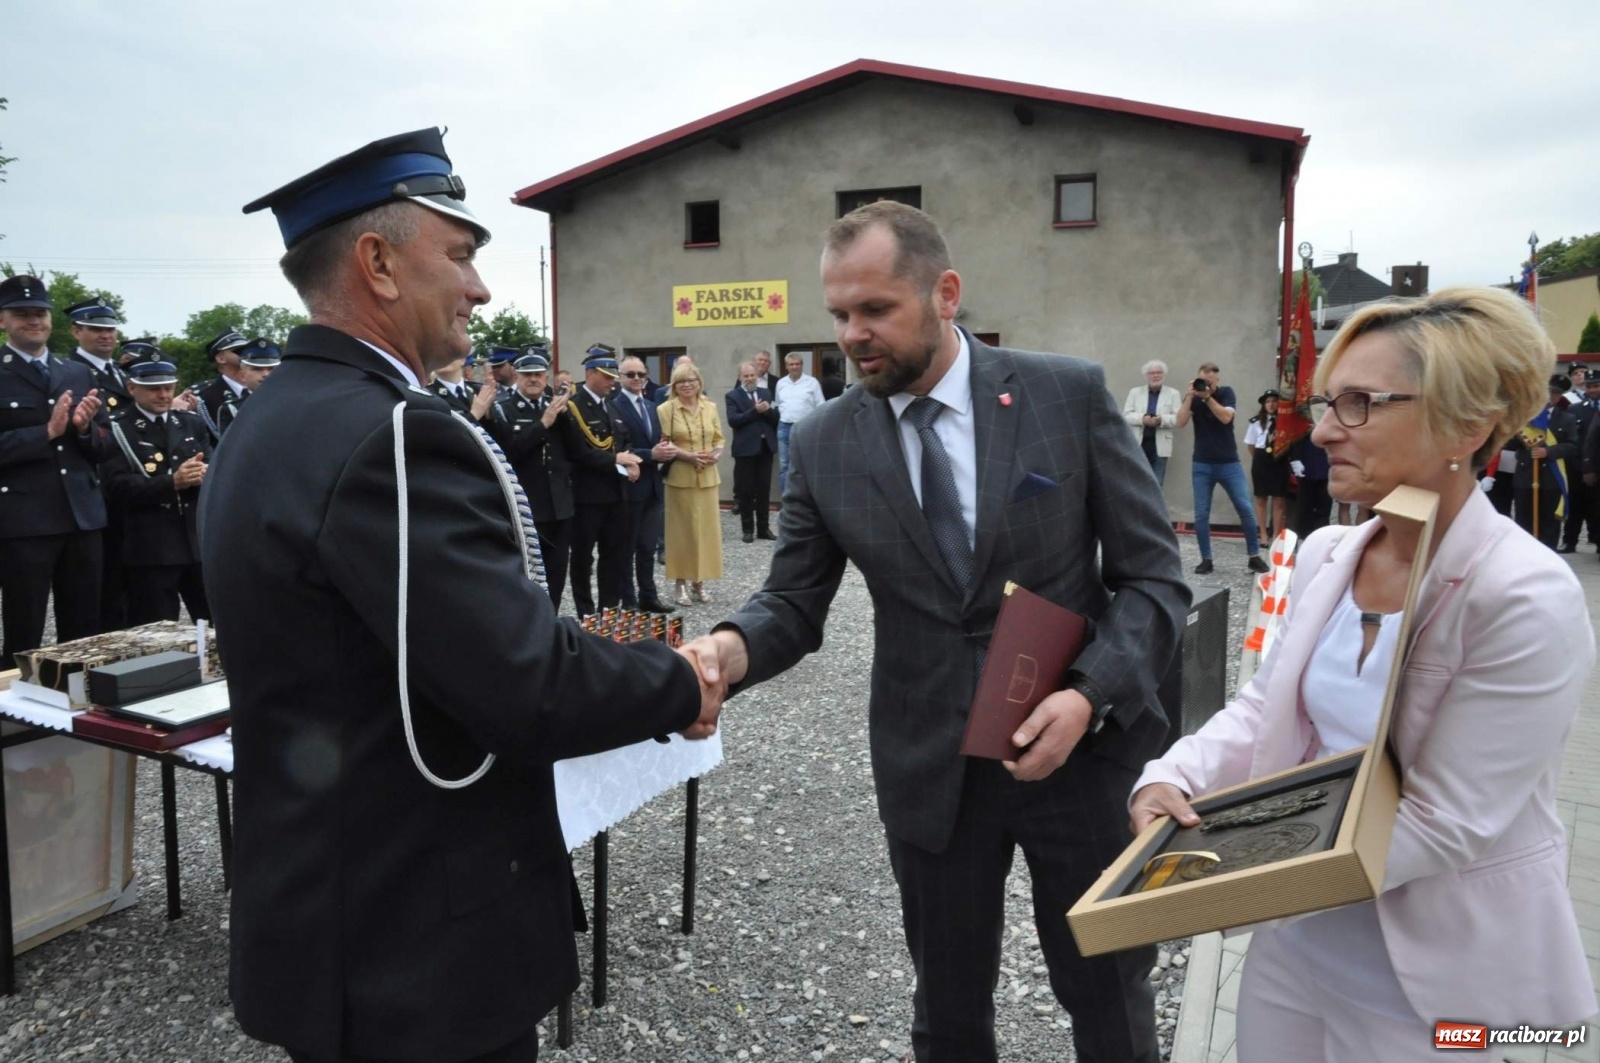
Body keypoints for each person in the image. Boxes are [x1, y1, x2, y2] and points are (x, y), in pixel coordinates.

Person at [206, 127, 716, 1063]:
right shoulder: (391, 436)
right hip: (416, 941)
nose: (481, 288)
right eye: (462, 255)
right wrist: (683, 679)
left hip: (330, 905)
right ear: (379, 263)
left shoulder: (270, 418)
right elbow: (527, 684)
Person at [683, 202, 1187, 1063]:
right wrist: (727, 648)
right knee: (947, 1012)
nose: (852, 335)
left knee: (1107, 991)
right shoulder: (827, 439)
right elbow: (793, 602)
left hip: (1080, 757)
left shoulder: (1065, 394)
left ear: (945, 293)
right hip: (931, 768)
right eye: (839, 314)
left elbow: (1154, 581)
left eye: (876, 310)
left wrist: (1090, 692)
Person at [1130, 286, 1595, 1061]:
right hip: (1296, 950)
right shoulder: (1327, 553)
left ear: (1468, 422)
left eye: (1358, 404)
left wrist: (1222, 872)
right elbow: (1263, 708)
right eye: (1324, 403)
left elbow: (1447, 820)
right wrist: (1169, 774)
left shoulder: (1524, 593)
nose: (1320, 431)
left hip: (1431, 983)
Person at [0, 275, 111, 667]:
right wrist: (44, 433)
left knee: (84, 624)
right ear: (3, 321)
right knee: (24, 624)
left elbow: (105, 445)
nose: (34, 321)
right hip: (25, 519)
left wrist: (83, 429)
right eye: (22, 314)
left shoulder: (76, 373)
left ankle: (78, 708)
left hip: (82, 516)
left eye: (40, 314)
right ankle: (16, 717)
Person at [102, 345, 211, 624]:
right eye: (153, 389)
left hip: (196, 542)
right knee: (158, 631)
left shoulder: (190, 424)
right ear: (131, 388)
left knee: (215, 624)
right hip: (151, 548)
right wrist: (171, 482)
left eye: (168, 387)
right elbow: (115, 487)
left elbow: (212, 467)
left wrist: (206, 474)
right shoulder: (117, 428)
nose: (163, 395)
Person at [488, 350, 574, 610]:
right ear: (516, 376)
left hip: (559, 506)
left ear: (546, 376)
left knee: (557, 575)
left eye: (538, 374)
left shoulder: (556, 406)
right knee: (528, 576)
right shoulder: (503, 409)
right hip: (527, 506)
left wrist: (564, 416)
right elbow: (509, 453)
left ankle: (553, 624)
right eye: (527, 375)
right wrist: (543, 423)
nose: (533, 379)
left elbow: (575, 451)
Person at [560, 346, 641, 617]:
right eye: (606, 376)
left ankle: (608, 609)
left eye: (613, 377)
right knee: (583, 558)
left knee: (614, 556)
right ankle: (586, 612)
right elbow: (579, 453)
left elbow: (624, 439)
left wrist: (629, 461)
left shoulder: (611, 406)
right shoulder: (574, 406)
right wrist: (617, 460)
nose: (612, 382)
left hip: (617, 496)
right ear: (591, 373)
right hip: (588, 497)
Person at [1176, 361, 1269, 574]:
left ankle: (1254, 556)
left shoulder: (1227, 393)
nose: (1206, 384)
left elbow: (1226, 417)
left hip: (1229, 463)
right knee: (1201, 514)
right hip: (1202, 464)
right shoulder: (1194, 398)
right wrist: (1190, 396)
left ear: (1217, 379)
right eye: (1202, 380)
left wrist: (1207, 397)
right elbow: (1180, 422)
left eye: (1210, 380)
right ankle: (1206, 559)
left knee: (1245, 508)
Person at [611, 353, 678, 613]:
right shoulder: (614, 406)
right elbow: (619, 447)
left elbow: (657, 441)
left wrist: (664, 451)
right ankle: (628, 600)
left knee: (648, 546)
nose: (637, 378)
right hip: (630, 486)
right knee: (627, 547)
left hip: (652, 485)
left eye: (641, 374)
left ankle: (649, 595)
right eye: (631, 374)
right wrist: (651, 454)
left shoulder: (651, 406)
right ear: (620, 377)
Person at [658, 358, 724, 605]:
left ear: (699, 383)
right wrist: (688, 456)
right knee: (681, 532)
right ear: (674, 385)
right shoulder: (666, 409)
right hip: (680, 478)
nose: (687, 385)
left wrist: (716, 455)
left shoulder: (711, 407)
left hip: (707, 478)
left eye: (691, 380)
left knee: (705, 533)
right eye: (681, 381)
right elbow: (665, 442)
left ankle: (700, 582)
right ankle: (680, 583)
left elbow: (719, 438)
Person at [1506, 374, 1579, 550]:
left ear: (1560, 396)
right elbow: (1509, 443)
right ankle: (1524, 555)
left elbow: (1572, 446)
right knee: (1524, 519)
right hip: (1526, 476)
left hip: (1551, 477)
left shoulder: (1566, 418)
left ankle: (1548, 555)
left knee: (1549, 522)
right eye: (1548, 392)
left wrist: (1548, 451)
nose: (1551, 396)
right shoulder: (1525, 417)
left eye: (1555, 393)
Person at [726, 361, 779, 542]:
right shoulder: (733, 395)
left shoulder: (766, 393)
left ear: (757, 376)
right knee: (746, 491)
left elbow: (775, 419)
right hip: (745, 449)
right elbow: (734, 420)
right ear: (740, 377)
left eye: (752, 375)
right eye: (746, 376)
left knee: (764, 491)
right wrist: (755, 411)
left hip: (765, 448)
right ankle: (747, 529)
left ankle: (764, 529)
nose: (750, 379)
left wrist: (767, 412)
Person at [1121, 359, 1182, 486]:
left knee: (1157, 482)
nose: (1155, 375)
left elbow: (1178, 418)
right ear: (1146, 375)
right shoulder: (1135, 392)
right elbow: (1126, 415)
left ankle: (1154, 506)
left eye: (1158, 372)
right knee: (1137, 481)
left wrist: (1161, 420)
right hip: (1138, 443)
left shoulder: (1173, 394)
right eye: (1152, 373)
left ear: (1163, 374)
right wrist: (1142, 419)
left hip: (1160, 444)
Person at [775, 352, 824, 497]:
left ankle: (806, 500)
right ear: (786, 366)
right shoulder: (781, 383)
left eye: (797, 364)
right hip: (784, 427)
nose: (794, 367)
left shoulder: (812, 382)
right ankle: (787, 501)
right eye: (791, 364)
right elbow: (779, 405)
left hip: (806, 428)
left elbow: (821, 406)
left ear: (802, 365)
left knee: (806, 465)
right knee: (785, 466)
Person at [1244, 389, 1290, 543]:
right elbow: (1250, 445)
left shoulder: (1285, 421)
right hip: (1262, 460)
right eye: (1268, 402)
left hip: (1280, 460)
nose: (1271, 404)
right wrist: (1260, 458)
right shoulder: (1256, 422)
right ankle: (1263, 534)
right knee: (1261, 499)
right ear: (1264, 405)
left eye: (1274, 401)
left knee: (1279, 500)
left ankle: (1276, 534)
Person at [1563, 372, 1600, 553]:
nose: (1593, 390)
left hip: (1598, 464)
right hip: (1578, 465)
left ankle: (1597, 541)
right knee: (1576, 504)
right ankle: (1569, 541)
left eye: (1597, 386)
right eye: (1590, 386)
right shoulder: (1575, 409)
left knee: (1597, 507)